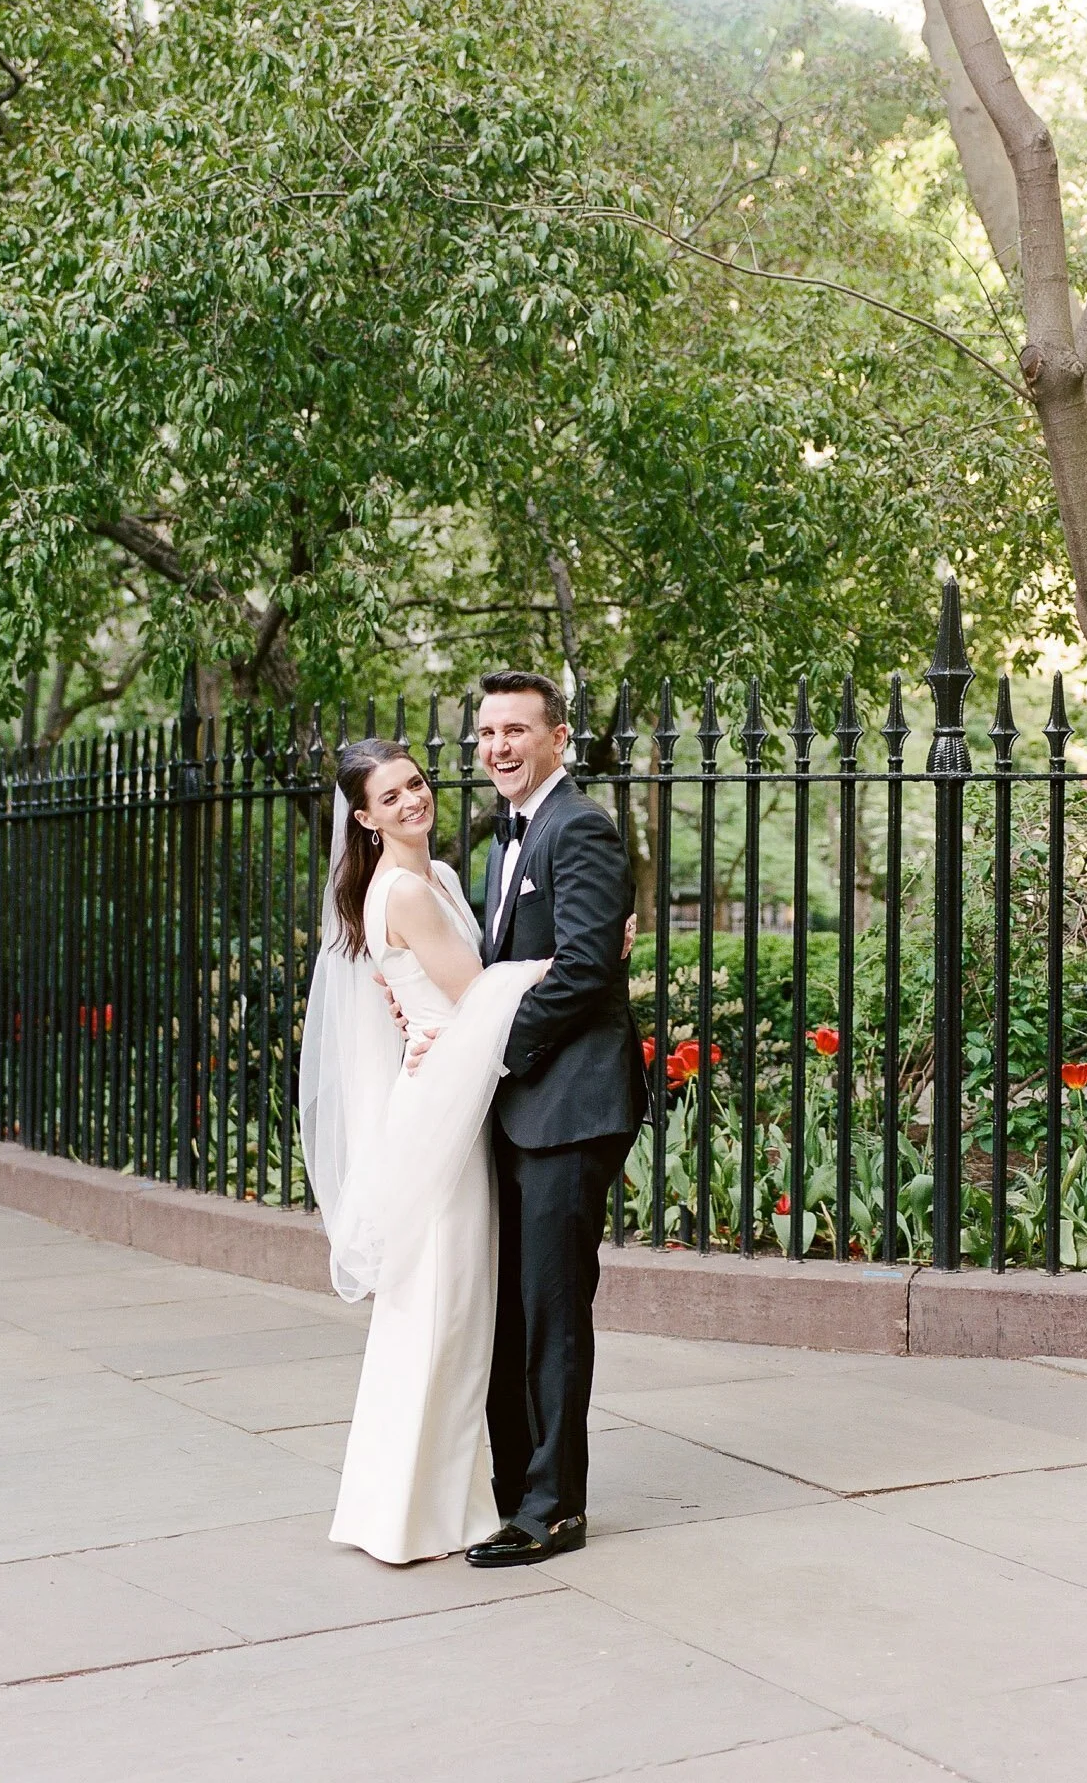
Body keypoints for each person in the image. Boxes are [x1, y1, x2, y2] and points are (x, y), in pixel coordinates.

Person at [406, 671, 648, 1567]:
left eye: (516, 730)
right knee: (504, 1308)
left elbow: (586, 971)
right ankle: (513, 1495)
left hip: (570, 1106)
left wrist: (487, 1047)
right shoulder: (508, 840)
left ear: (559, 739)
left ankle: (553, 1509)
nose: (498, 746)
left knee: (549, 1313)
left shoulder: (578, 825)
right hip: (514, 1107)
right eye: (486, 733)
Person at [299, 738, 548, 1564]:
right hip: (440, 1106)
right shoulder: (402, 889)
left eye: (416, 783)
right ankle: (415, 1513)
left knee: (445, 1308)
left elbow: (434, 997)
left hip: (449, 1087)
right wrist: (564, 962)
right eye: (391, 797)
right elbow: (476, 991)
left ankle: (422, 1499)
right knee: (442, 1305)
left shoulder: (433, 878)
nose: (412, 801)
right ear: (363, 819)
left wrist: (423, 1027)